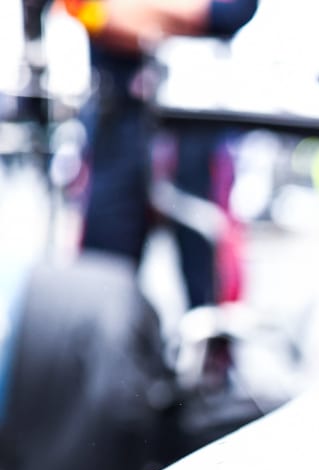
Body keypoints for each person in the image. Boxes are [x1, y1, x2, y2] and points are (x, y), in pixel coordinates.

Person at [67, 0, 259, 307]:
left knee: (207, 284)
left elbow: (231, 10)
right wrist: (185, 24)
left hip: (201, 121)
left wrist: (134, 15)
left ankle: (209, 350)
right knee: (101, 280)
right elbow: (90, 12)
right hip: (116, 120)